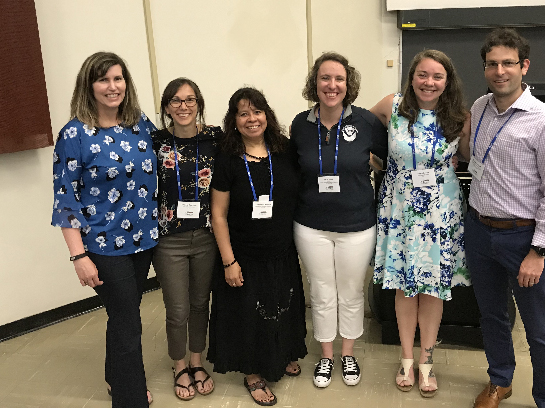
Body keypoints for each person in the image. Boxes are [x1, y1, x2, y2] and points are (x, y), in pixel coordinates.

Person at [465, 28, 545, 408]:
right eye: (492, 64)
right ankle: (500, 381)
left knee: (539, 328)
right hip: (479, 231)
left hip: (523, 238)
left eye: (508, 63)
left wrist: (539, 251)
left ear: (524, 66)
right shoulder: (479, 108)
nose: (500, 71)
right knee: (492, 316)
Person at [51, 52, 157, 408]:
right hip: (101, 245)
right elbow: (65, 200)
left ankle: (116, 377)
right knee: (128, 319)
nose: (113, 87)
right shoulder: (74, 134)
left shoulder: (139, 123)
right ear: (89, 85)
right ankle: (130, 398)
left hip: (144, 240)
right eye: (103, 80)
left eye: (118, 78)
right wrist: (78, 256)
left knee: (122, 313)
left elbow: (167, 157)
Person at [370, 49, 471, 398]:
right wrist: (376, 161)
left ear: (447, 81)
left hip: (440, 212)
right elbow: (356, 131)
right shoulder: (391, 106)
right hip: (400, 211)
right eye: (422, 75)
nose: (429, 82)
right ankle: (407, 359)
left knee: (432, 288)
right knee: (404, 285)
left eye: (437, 76)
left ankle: (427, 362)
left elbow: (472, 157)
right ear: (411, 77)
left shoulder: (459, 117)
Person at [290, 52, 388, 388]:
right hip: (310, 225)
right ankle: (326, 355)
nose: (332, 85)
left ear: (349, 85)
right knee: (320, 291)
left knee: (350, 291)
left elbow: (389, 161)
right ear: (314, 83)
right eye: (325, 78)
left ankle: (348, 354)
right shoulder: (300, 124)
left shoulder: (366, 123)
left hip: (357, 225)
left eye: (339, 79)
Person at [207, 87, 307, 406]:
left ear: (267, 115)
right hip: (244, 253)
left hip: (281, 249)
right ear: (234, 120)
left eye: (258, 111)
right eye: (244, 113)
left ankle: (282, 355)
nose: (252, 118)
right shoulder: (227, 157)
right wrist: (228, 262)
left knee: (283, 305)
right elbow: (218, 215)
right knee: (249, 314)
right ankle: (252, 372)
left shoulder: (284, 149)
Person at [151, 78, 221, 400]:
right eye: (176, 101)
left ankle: (196, 360)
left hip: (206, 236)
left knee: (199, 304)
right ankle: (179, 365)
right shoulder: (155, 142)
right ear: (167, 107)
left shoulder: (215, 139)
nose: (183, 106)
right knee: (177, 308)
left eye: (190, 100)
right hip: (169, 241)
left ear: (199, 104)